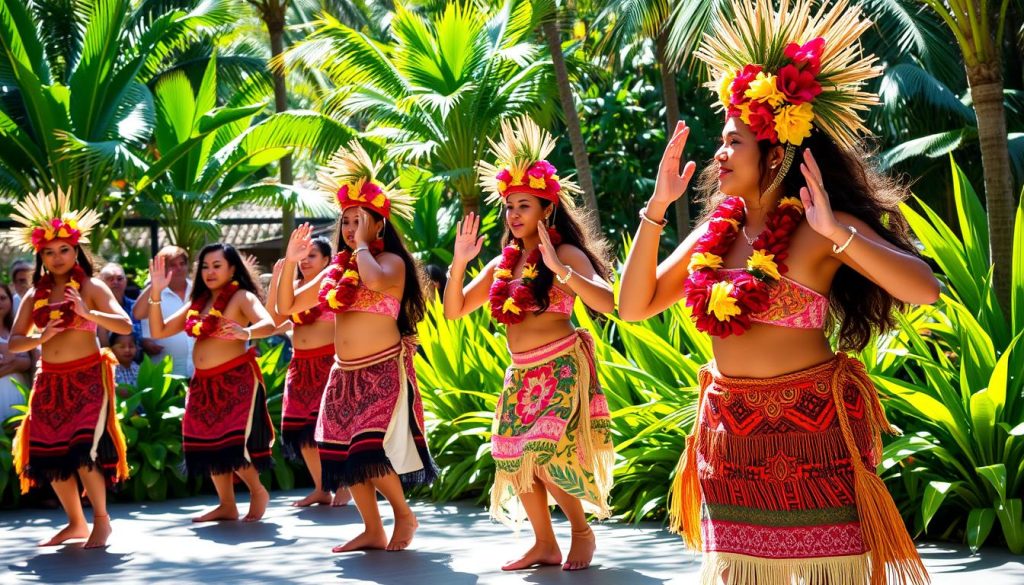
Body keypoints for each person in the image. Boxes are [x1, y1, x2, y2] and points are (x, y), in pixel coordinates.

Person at [618, 2, 938, 583]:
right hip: (730, 441)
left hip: (812, 439)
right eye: (722, 141)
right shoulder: (717, 229)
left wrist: (840, 236)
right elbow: (633, 306)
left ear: (776, 151)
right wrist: (658, 209)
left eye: (733, 142)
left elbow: (924, 291)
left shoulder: (820, 229)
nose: (720, 154)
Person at [443, 117, 616, 571]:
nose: (513, 215)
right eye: (508, 207)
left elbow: (609, 301)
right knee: (514, 457)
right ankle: (545, 544)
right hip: (520, 372)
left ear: (546, 210)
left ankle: (581, 532)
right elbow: (454, 308)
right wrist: (460, 263)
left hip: (559, 366)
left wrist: (562, 270)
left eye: (523, 205)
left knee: (542, 454)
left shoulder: (567, 255)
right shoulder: (506, 262)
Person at [278, 141, 437, 552]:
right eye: (346, 222)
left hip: (381, 367)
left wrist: (363, 245)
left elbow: (378, 281)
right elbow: (287, 307)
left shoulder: (392, 264)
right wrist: (291, 263)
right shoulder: (336, 269)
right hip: (342, 374)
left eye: (360, 221)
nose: (350, 230)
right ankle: (372, 527)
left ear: (379, 224)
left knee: (368, 448)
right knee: (343, 456)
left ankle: (403, 514)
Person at [7, 190, 133, 548]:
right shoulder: (34, 296)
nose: (57, 257)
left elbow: (123, 325)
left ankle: (102, 521)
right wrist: (40, 337)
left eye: (64, 249)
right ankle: (76, 523)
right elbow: (16, 341)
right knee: (50, 453)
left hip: (88, 375)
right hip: (49, 379)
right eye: (49, 251)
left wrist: (87, 313)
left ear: (76, 251)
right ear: (41, 256)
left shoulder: (91, 287)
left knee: (81, 450)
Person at [146, 242, 277, 522]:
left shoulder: (241, 296)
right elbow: (158, 330)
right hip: (203, 382)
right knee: (208, 443)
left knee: (230, 444)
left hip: (235, 379)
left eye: (217, 266)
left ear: (232, 269)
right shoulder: (198, 303)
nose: (210, 271)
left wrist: (246, 332)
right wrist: (155, 293)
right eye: (205, 266)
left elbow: (268, 324)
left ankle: (257, 491)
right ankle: (226, 505)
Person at [266, 237, 351, 508]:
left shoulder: (333, 286)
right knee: (303, 433)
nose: (304, 260)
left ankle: (346, 485)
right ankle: (321, 488)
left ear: (327, 260)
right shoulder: (291, 291)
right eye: (302, 254)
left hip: (327, 364)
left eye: (312, 255)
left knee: (333, 430)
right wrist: (276, 282)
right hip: (300, 366)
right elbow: (273, 321)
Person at [134, 246, 194, 377]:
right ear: (163, 268)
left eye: (182, 264)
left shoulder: (198, 290)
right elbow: (137, 313)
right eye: (173, 265)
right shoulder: (153, 292)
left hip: (197, 368)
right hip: (165, 371)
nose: (179, 268)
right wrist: (155, 286)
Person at [0, 282, 33, 423]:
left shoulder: (17, 330)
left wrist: (14, 362)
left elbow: (27, 362)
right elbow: (21, 361)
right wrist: (17, 362)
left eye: (2, 298)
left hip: (20, 396)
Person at [98, 263, 143, 350]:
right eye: (110, 279)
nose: (115, 282)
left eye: (120, 279)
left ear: (126, 281)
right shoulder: (93, 310)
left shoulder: (137, 307)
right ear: (100, 283)